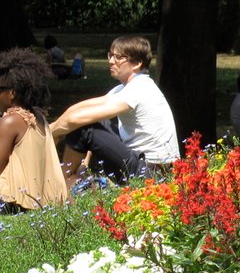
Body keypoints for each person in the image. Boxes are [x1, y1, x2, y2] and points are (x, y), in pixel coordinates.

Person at [49, 35, 180, 183]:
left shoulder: (140, 88)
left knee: (85, 127)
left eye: (118, 57)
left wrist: (50, 133)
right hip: (141, 163)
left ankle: (62, 182)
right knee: (93, 120)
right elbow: (79, 109)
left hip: (151, 173)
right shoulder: (126, 88)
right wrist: (54, 127)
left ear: (137, 63)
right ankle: (75, 172)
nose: (111, 61)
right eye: (110, 55)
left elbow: (76, 119)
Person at [0, 49, 69, 211]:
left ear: (12, 93)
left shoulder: (10, 121)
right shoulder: (38, 117)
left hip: (12, 201)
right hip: (40, 200)